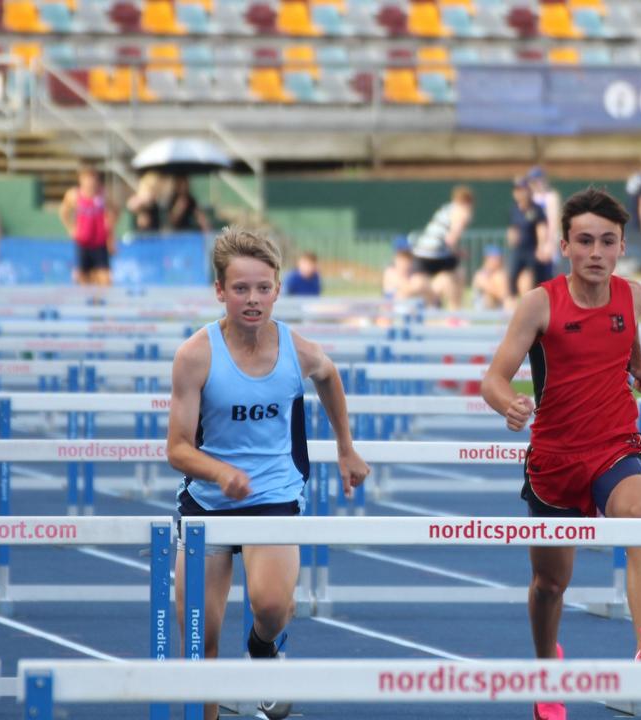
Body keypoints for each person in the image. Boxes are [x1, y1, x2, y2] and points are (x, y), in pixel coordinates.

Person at [166, 227, 370, 720]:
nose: (253, 300)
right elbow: (176, 449)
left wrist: (345, 448)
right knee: (201, 637)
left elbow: (329, 375)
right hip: (209, 501)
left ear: (278, 288)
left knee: (272, 607)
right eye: (240, 289)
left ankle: (263, 650)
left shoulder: (296, 350)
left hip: (273, 494)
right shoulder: (196, 355)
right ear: (220, 291)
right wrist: (219, 472)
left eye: (263, 288)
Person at [481, 188, 641, 720]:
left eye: (607, 242)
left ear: (621, 246)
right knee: (549, 584)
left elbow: (625, 336)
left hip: (615, 445)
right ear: (565, 245)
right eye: (584, 241)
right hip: (555, 458)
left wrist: (640, 366)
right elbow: (492, 378)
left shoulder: (635, 297)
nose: (595, 252)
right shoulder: (540, 304)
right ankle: (547, 670)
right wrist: (508, 404)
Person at [410, 185, 474, 310]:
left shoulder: (447, 208)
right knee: (458, 274)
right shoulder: (462, 212)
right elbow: (451, 239)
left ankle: (434, 302)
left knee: (426, 282)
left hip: (421, 252)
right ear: (469, 202)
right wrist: (459, 252)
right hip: (436, 252)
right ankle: (455, 310)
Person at [59, 163, 118, 287]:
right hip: (83, 243)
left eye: (93, 178)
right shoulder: (74, 195)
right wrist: (71, 228)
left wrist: (110, 234)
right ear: (81, 180)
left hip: (100, 243)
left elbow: (115, 211)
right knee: (83, 280)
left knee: (106, 280)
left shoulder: (103, 195)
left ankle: (102, 304)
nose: (90, 182)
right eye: (87, 179)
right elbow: (63, 212)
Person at [507, 176, 551, 299]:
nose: (519, 193)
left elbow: (541, 228)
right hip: (518, 251)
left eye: (522, 190)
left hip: (531, 250)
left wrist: (542, 247)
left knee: (529, 280)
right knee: (511, 279)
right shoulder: (514, 209)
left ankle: (529, 308)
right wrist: (511, 237)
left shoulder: (536, 209)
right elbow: (513, 227)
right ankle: (511, 308)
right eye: (517, 190)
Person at [527, 166, 562, 277]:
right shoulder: (530, 198)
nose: (537, 184)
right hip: (532, 243)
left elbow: (553, 222)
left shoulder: (551, 197)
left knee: (549, 274)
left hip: (548, 242)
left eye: (538, 180)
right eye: (534, 181)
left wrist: (549, 244)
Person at [472, 245, 509, 310]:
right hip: (484, 307)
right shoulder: (481, 274)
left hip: (498, 304)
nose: (499, 261)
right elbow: (497, 292)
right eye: (496, 258)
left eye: (500, 258)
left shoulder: (500, 273)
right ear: (487, 259)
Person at [382, 235, 416, 301]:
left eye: (409, 258)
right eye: (402, 258)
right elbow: (408, 288)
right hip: (392, 309)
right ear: (395, 258)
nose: (406, 263)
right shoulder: (390, 272)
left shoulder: (412, 273)